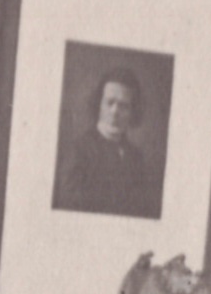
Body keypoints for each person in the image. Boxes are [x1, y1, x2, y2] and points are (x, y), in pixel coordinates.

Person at [53, 68, 163, 219]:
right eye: (109, 102)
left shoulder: (136, 157)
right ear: (98, 104)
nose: (115, 111)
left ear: (132, 111)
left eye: (123, 106)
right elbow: (69, 208)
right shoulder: (78, 151)